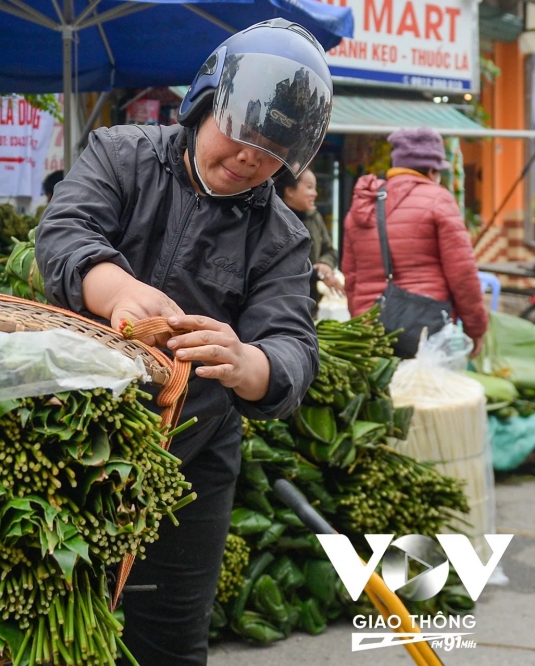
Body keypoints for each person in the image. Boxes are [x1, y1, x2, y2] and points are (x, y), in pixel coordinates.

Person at [35, 20, 329, 666]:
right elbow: (64, 234)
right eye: (243, 133)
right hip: (62, 435)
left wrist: (250, 363)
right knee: (45, 620)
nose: (252, 157)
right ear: (203, 104)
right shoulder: (121, 153)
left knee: (166, 639)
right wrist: (114, 292)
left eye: (274, 149)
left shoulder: (281, 236)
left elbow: (291, 345)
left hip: (189, 458)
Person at [342, 128, 488, 355]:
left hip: (370, 329)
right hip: (423, 329)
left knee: (380, 389)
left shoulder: (364, 202)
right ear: (432, 170)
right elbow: (462, 273)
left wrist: (360, 320)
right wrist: (475, 327)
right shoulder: (439, 199)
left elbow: (350, 276)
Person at [274, 168, 341, 306]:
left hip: (310, 302)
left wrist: (325, 264)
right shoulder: (274, 219)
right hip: (281, 303)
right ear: (290, 191)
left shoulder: (314, 217)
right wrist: (319, 273)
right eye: (309, 187)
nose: (315, 194)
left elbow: (329, 251)